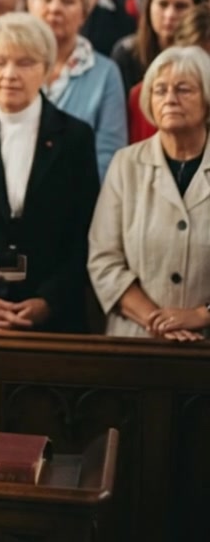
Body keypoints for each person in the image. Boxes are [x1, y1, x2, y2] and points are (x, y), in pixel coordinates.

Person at [0, 13, 99, 332]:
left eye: (25, 63)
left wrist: (48, 302)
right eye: (0, 62)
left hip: (52, 320)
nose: (10, 74)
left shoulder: (75, 137)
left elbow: (84, 231)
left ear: (47, 69)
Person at [88, 45, 210, 341]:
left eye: (183, 90)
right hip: (136, 342)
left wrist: (201, 315)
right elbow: (104, 260)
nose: (170, 99)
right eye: (160, 90)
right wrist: (158, 320)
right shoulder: (125, 164)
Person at [27, 0, 127, 180]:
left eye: (68, 1)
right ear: (30, 5)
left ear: (84, 12)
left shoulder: (106, 73)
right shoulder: (6, 64)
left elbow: (109, 153)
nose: (55, 8)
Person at [111, 0, 203, 97]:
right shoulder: (127, 54)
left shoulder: (205, 56)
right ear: (149, 7)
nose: (170, 15)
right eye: (163, 4)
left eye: (181, 6)